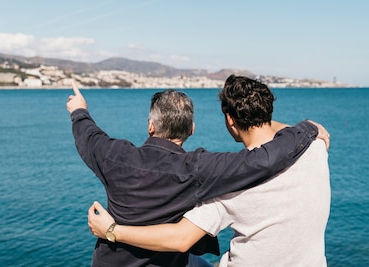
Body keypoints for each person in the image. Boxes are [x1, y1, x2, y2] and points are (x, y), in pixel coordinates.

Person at [66, 83, 329, 267]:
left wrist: (79, 109)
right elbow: (261, 160)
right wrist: (306, 129)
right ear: (191, 129)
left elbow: (88, 134)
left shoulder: (113, 156)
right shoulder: (198, 168)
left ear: (150, 125)